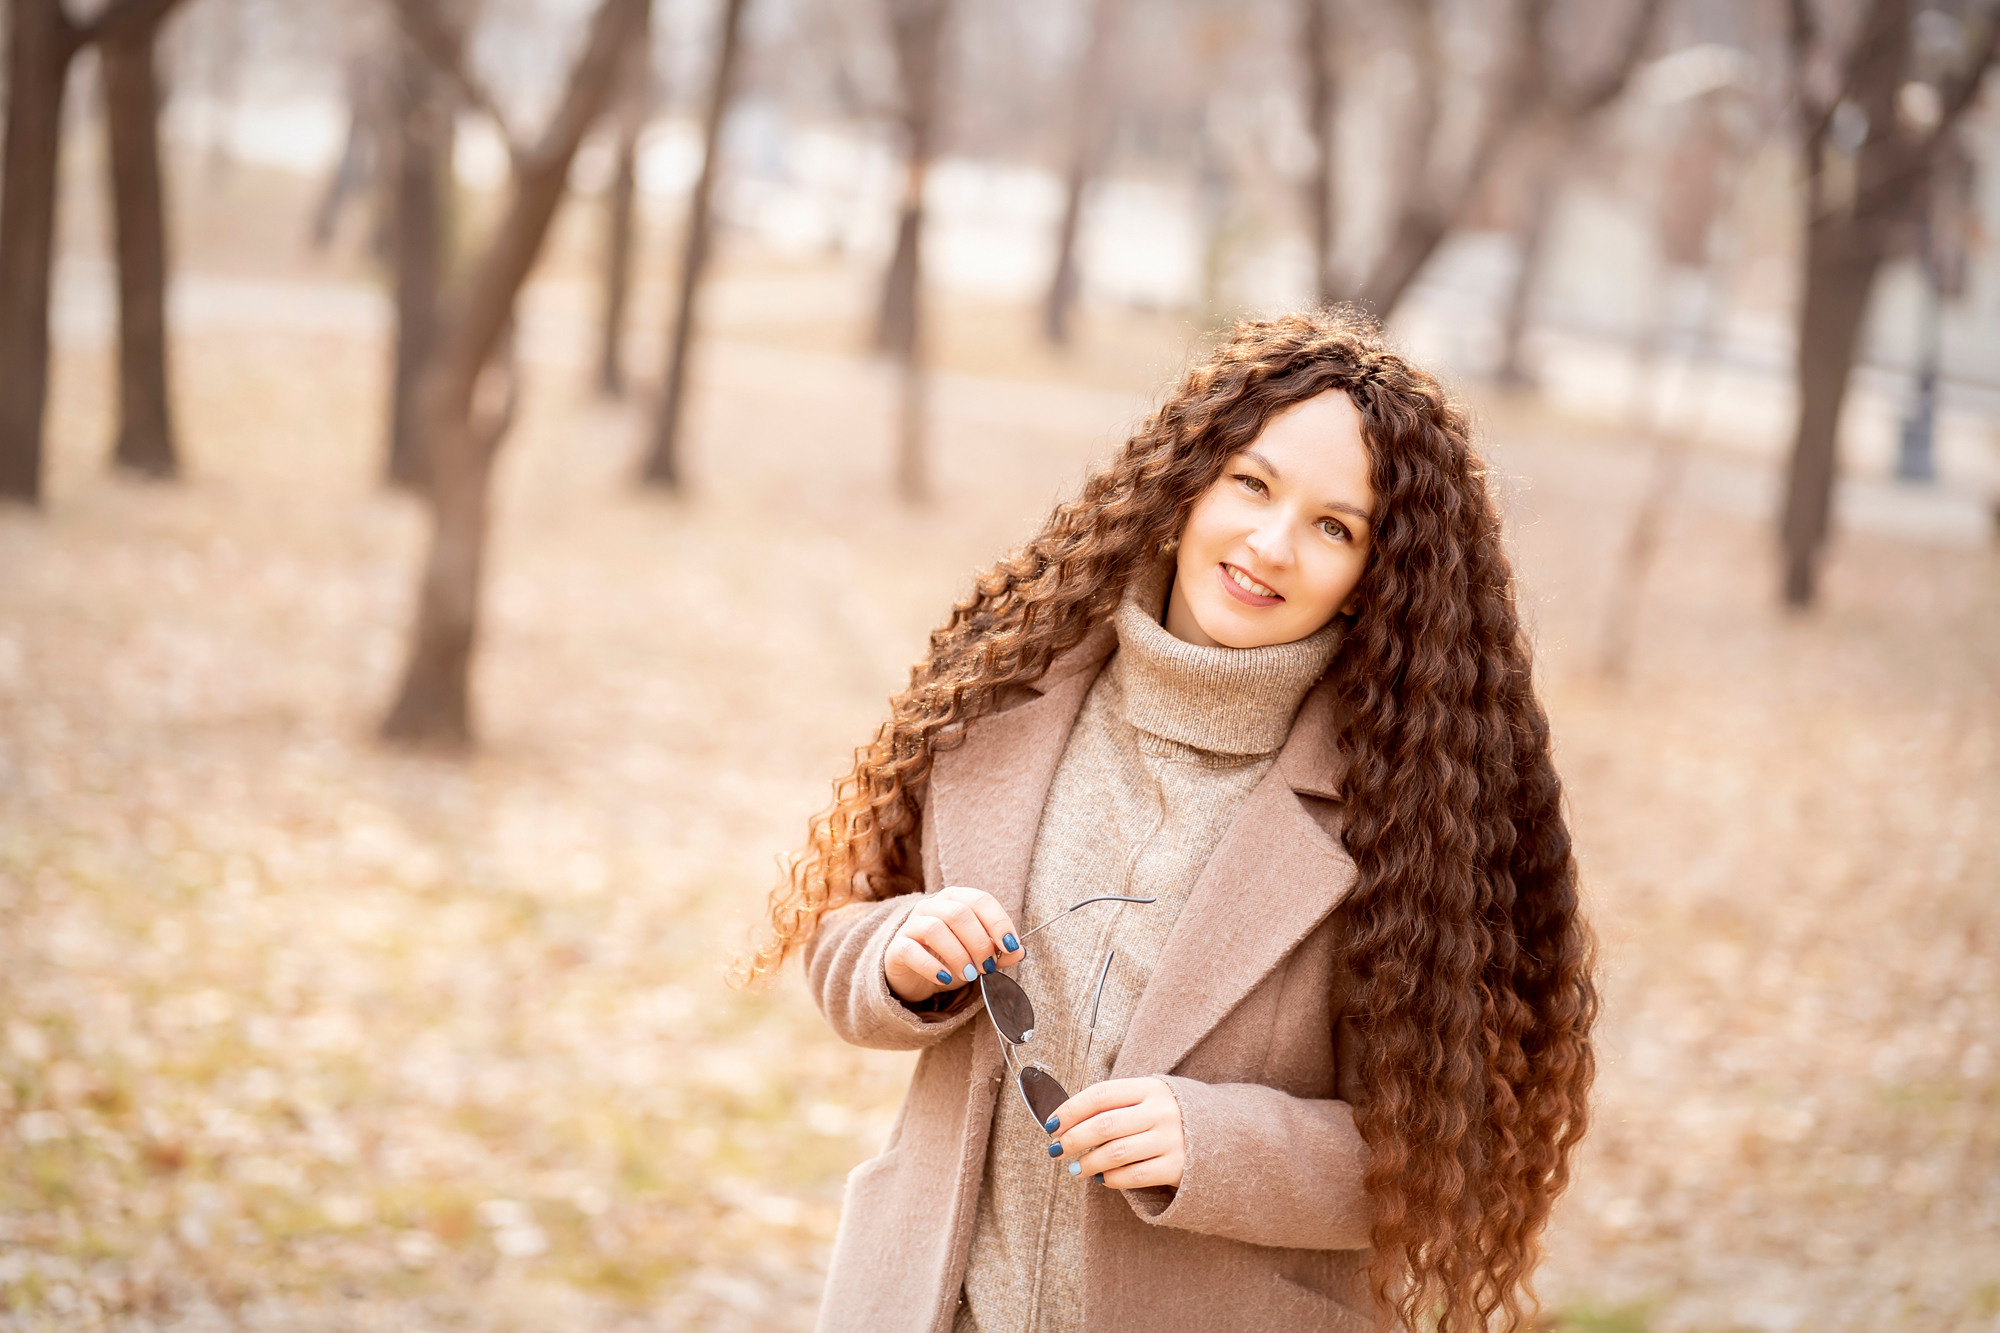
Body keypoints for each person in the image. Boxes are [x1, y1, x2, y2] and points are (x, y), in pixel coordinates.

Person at [744, 311, 1598, 1333]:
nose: (1270, 545)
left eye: (1335, 527)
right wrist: (897, 955)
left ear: (1378, 575)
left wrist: (1219, 1145)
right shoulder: (1004, 690)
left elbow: (1461, 1150)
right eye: (1252, 484)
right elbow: (843, 932)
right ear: (1188, 480)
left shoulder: (1411, 816)